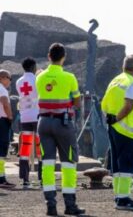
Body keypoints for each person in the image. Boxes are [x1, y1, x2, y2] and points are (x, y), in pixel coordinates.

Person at [36, 43, 84, 216]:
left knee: (47, 164)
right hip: (63, 124)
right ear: (64, 57)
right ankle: (70, 206)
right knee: (68, 164)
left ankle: (51, 206)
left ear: (49, 56)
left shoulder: (39, 77)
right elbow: (78, 103)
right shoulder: (70, 77)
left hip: (43, 123)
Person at [101, 54, 133, 211]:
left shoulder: (115, 81)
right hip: (128, 130)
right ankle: (124, 199)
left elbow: (105, 103)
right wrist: (117, 119)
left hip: (115, 129)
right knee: (127, 165)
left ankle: (119, 196)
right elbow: (128, 106)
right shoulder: (132, 83)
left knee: (117, 164)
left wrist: (111, 120)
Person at [16, 57, 42, 188]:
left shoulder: (19, 82)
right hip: (37, 116)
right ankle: (42, 179)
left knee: (25, 148)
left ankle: (25, 180)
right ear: (33, 67)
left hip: (24, 117)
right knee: (40, 148)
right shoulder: (38, 80)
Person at [0, 69, 15, 189]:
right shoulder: (2, 89)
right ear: (3, 78)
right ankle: (1, 178)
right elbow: (5, 103)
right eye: (9, 78)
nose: (10, 81)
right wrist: (10, 117)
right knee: (2, 150)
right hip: (2, 121)